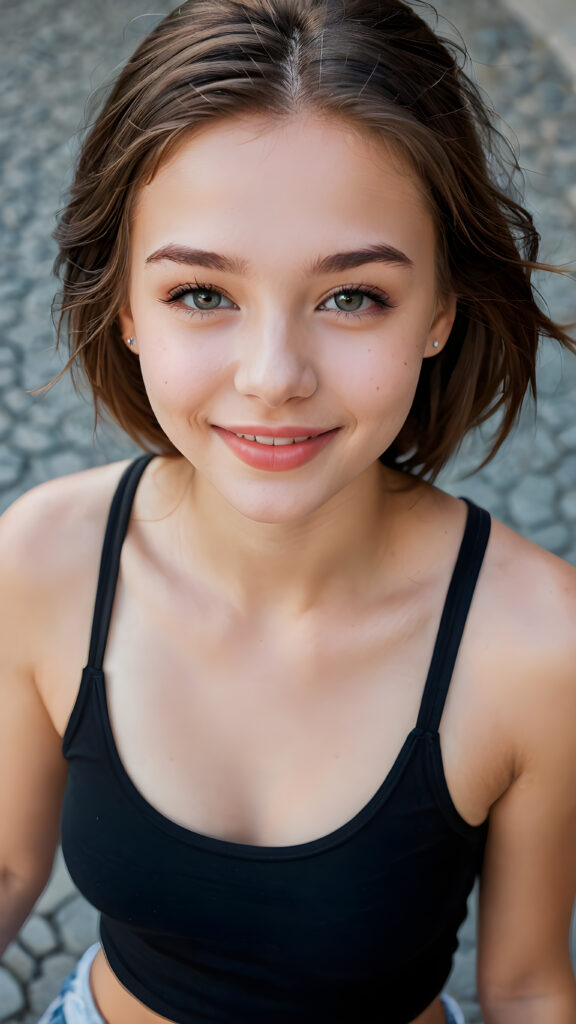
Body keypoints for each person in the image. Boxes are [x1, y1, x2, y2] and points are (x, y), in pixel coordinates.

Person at [1, 0, 575, 1021]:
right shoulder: (40, 557)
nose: (273, 378)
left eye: (353, 295)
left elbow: (527, 985)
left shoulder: (542, 646)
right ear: (125, 305)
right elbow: (7, 867)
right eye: (201, 294)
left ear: (441, 308)